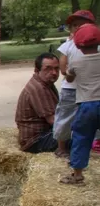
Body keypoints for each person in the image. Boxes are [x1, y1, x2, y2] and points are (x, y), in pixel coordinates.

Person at [59, 24, 100, 185]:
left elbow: (69, 78)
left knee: (81, 137)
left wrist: (70, 73)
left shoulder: (76, 61)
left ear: (78, 44)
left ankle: (77, 175)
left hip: (87, 104)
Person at [53, 10, 96, 158]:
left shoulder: (96, 45)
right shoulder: (69, 44)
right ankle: (61, 146)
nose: (77, 28)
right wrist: (67, 72)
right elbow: (63, 64)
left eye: (82, 25)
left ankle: (93, 145)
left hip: (92, 90)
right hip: (71, 88)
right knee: (65, 117)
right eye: (74, 26)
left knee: (92, 119)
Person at [15, 53, 62, 153]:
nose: (54, 72)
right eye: (48, 69)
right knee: (79, 136)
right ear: (37, 70)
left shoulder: (46, 83)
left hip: (43, 134)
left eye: (56, 69)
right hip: (36, 141)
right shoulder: (39, 88)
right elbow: (54, 121)